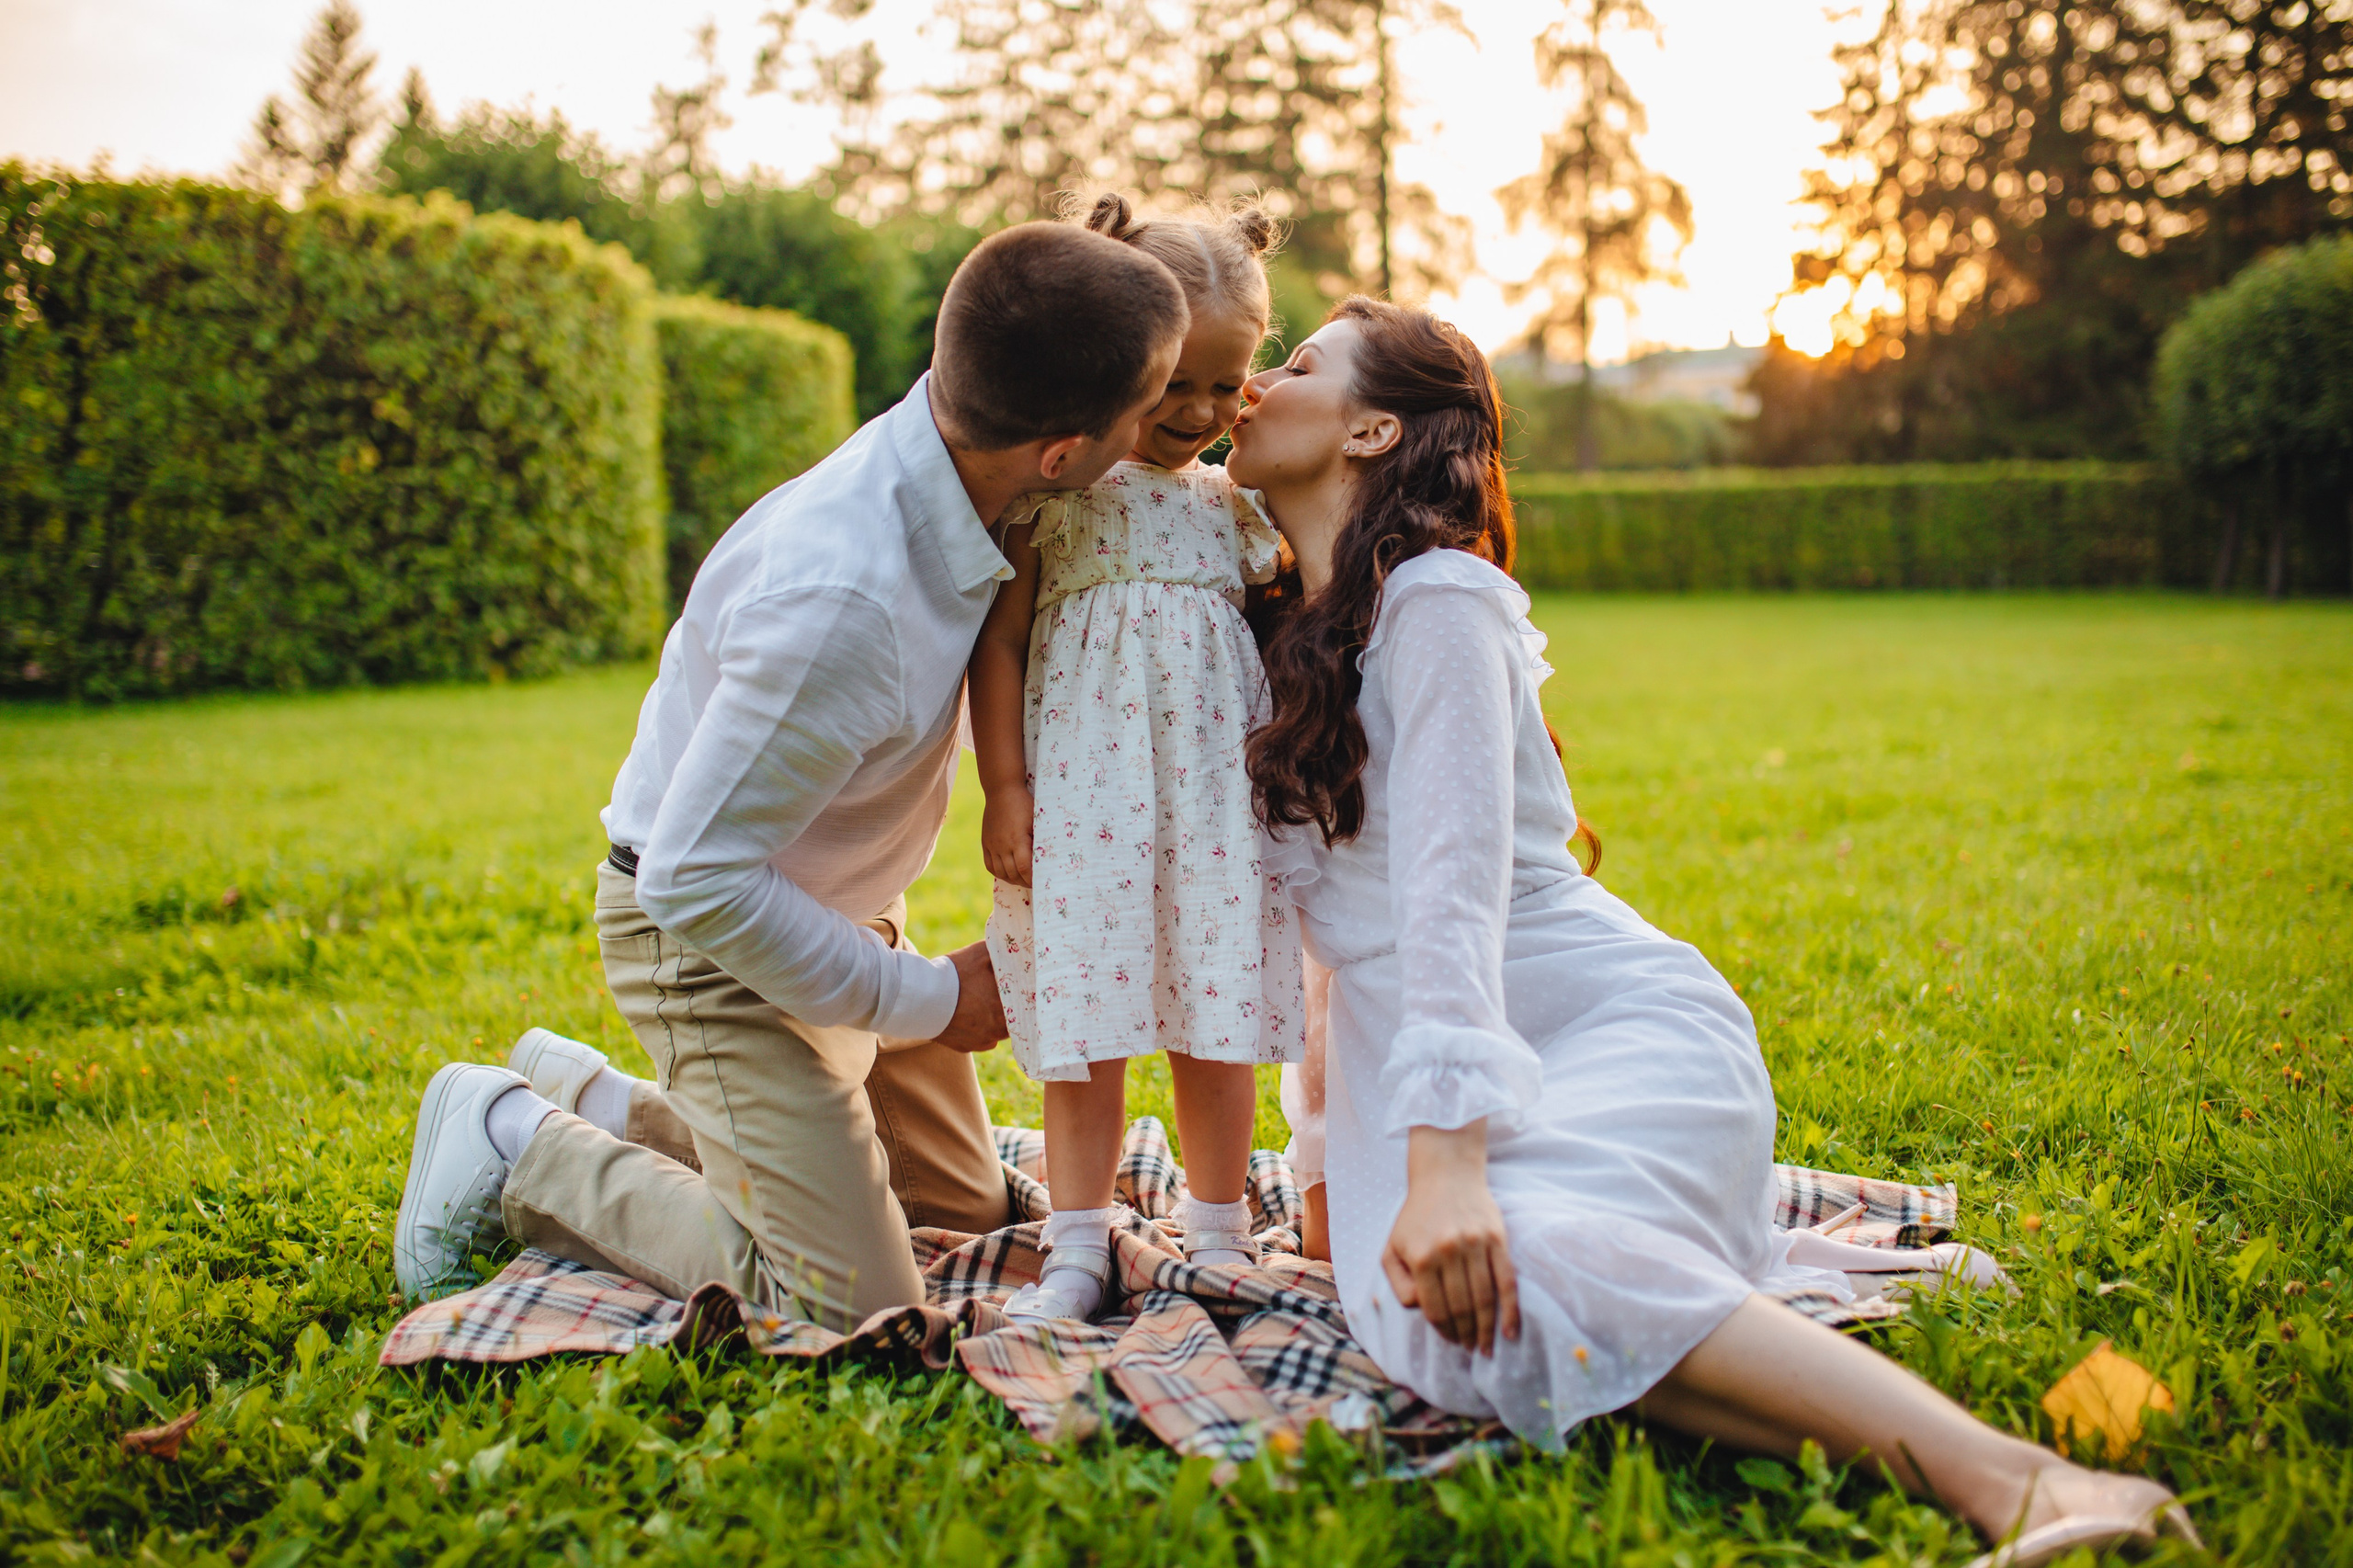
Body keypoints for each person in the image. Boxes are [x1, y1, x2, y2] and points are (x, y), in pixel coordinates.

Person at [1229, 297, 2198, 1568]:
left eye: (1296, 363)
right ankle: (1724, 1317)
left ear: (1372, 426)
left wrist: (1449, 1160)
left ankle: (2040, 1484)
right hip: (1403, 1070)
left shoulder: (1441, 601)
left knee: (1529, 1268)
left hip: (1594, 1021)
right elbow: (1327, 952)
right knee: (1440, 1324)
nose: (1254, 383)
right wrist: (1318, 1167)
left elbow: (1454, 892)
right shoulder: (1283, 635)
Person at [391, 221, 1191, 1330]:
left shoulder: (974, 468)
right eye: (1150, 404)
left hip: (839, 906)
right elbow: (694, 878)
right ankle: (516, 1138)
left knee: (957, 1207)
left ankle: (604, 1101)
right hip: (709, 942)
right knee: (847, 1299)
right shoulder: (844, 599)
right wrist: (930, 1000)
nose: (1168, 424)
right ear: (1060, 451)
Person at [970, 194, 1305, 1323]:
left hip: (1212, 804)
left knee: (1215, 1015)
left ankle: (1217, 1230)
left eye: (1230, 381)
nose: (1205, 410)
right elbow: (1003, 641)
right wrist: (1005, 787)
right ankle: (1077, 1242)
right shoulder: (1064, 497)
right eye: (1178, 385)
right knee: (1087, 1022)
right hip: (1086, 797)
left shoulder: (1239, 509)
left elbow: (1277, 636)